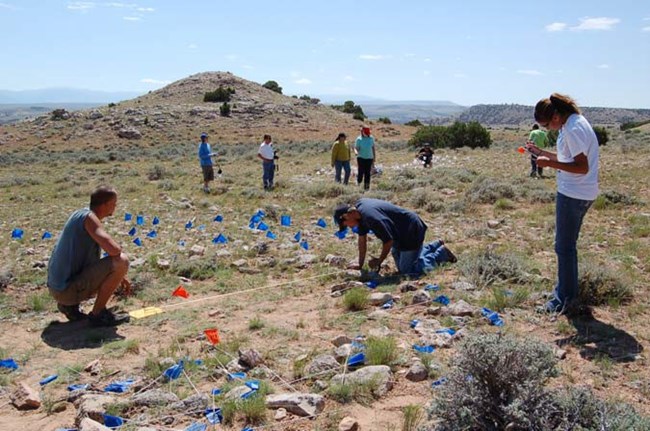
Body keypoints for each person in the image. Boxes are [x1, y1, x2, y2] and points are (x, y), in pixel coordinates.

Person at [525, 93, 599, 314]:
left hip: (574, 193)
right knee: (566, 246)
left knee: (564, 247)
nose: (548, 129)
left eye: (547, 125)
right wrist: (541, 153)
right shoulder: (574, 124)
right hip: (579, 191)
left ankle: (565, 299)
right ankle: (565, 292)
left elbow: (581, 167)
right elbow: (568, 158)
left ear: (556, 116)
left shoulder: (573, 129)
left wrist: (548, 163)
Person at [47, 186, 131, 326]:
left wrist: (119, 277)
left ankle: (69, 307)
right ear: (105, 204)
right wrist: (118, 271)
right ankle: (98, 315)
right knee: (122, 261)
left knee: (117, 264)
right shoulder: (89, 218)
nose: (115, 207)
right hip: (66, 290)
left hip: (57, 288)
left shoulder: (79, 214)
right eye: (114, 203)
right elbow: (114, 250)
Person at [333, 198, 456, 276]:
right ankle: (434, 245)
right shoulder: (360, 212)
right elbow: (362, 240)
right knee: (400, 261)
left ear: (349, 215)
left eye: (346, 224)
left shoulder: (371, 217)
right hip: (400, 232)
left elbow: (388, 241)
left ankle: (442, 254)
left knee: (407, 270)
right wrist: (360, 264)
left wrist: (379, 262)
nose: (348, 227)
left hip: (410, 230)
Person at [354, 126, 376, 191]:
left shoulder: (371, 138)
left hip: (369, 158)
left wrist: (374, 157)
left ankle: (366, 188)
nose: (367, 134)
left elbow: (373, 148)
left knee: (367, 173)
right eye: (366, 133)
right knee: (361, 172)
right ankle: (358, 182)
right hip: (361, 158)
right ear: (362, 132)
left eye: (368, 133)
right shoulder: (359, 139)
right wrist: (356, 152)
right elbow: (356, 148)